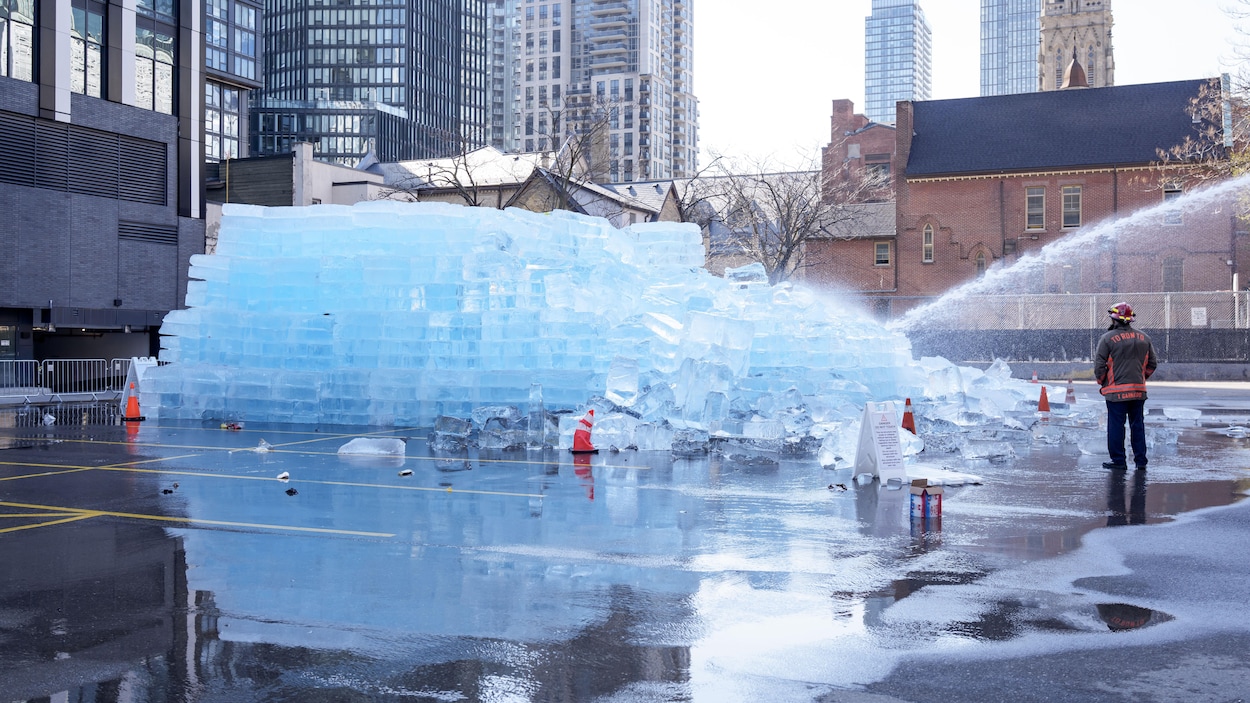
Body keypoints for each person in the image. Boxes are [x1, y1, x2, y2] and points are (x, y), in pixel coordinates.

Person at [1094, 302, 1158, 471]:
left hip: (1116, 393)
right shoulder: (1144, 338)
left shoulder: (1107, 339)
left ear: (1114, 319)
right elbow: (1152, 363)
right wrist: (1141, 378)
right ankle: (1141, 461)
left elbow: (1099, 366)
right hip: (1138, 391)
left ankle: (1119, 461)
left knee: (1116, 426)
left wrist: (1103, 382)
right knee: (1137, 426)